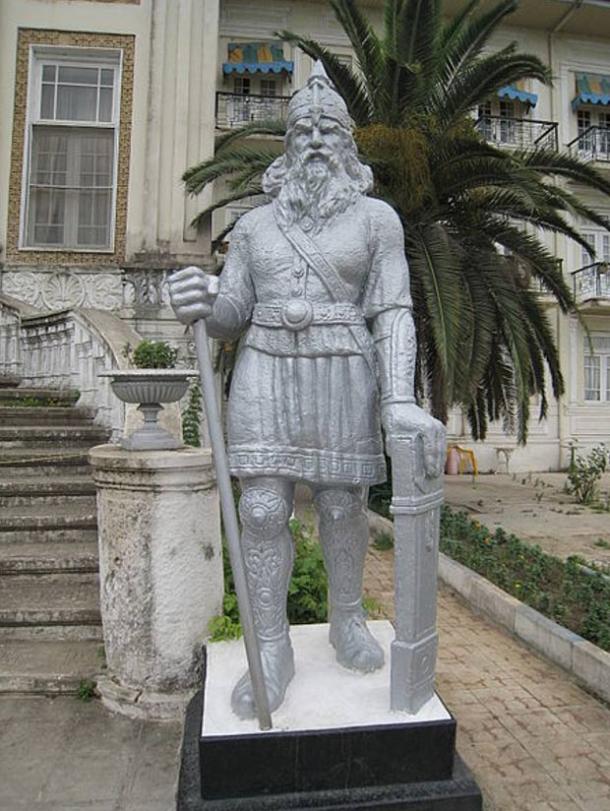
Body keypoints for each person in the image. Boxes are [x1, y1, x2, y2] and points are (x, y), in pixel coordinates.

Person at [169, 62, 445, 719]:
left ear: (349, 145)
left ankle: (346, 617)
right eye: (305, 130)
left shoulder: (378, 221)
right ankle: (270, 647)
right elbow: (233, 309)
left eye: (329, 129)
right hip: (266, 367)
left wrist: (399, 400)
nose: (317, 139)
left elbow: (394, 310)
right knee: (262, 510)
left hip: (342, 368)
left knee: (343, 507)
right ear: (287, 147)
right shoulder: (258, 227)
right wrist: (204, 298)